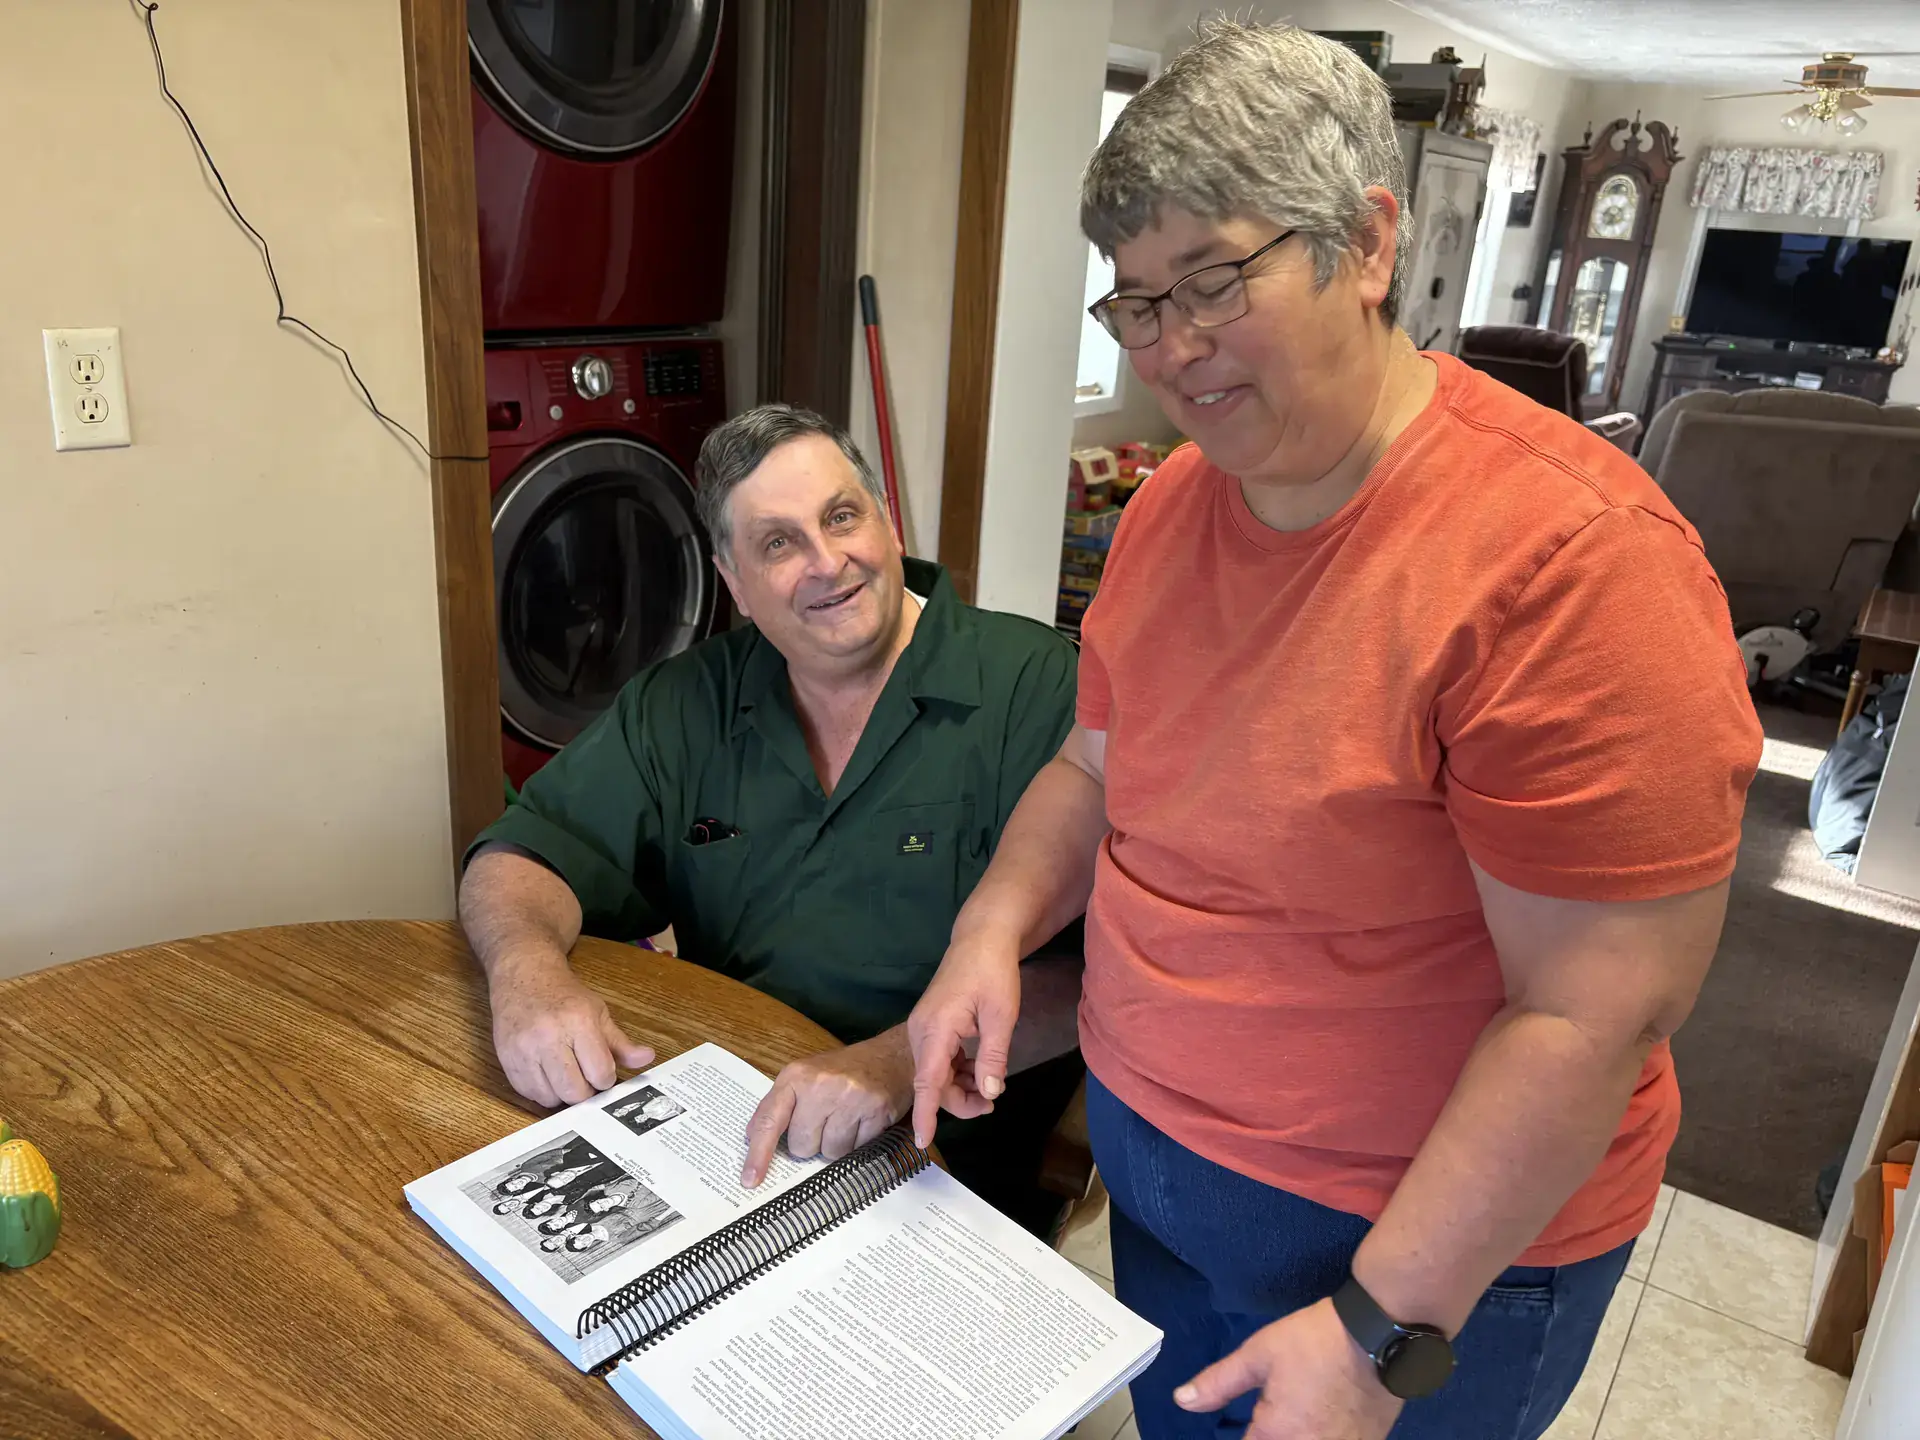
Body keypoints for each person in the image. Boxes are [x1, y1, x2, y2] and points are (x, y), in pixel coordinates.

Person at [908, 22, 1761, 1440]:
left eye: (1213, 281)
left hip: (1423, 1274)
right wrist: (988, 934)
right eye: (1134, 304)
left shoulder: (1572, 565)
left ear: (1367, 245)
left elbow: (1593, 1012)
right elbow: (1093, 770)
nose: (1171, 348)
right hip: (1163, 1192)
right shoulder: (1172, 509)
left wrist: (1376, 1332)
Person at [462, 404, 1085, 1235]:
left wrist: (895, 1064)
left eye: (841, 516)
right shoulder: (683, 703)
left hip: (952, 1149)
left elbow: (1102, 976)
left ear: (887, 523)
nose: (829, 563)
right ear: (734, 584)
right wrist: (528, 976)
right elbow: (526, 854)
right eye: (780, 543)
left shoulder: (1039, 688)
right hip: (731, 1125)